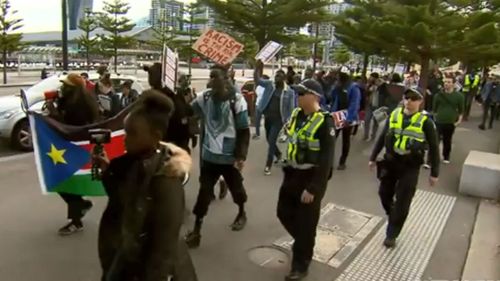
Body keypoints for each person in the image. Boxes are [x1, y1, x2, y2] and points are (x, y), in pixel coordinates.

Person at [95, 91, 198, 281]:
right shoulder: (130, 162)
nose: (125, 138)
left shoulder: (166, 178)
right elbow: (120, 199)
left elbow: (163, 248)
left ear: (155, 136)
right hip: (126, 259)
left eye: (132, 134)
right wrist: (109, 170)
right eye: (126, 132)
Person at [185, 65, 250, 248]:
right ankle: (197, 230)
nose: (211, 81)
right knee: (204, 192)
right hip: (209, 157)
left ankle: (242, 212)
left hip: (229, 158)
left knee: (237, 188)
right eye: (210, 77)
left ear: (226, 78)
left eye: (215, 77)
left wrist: (241, 156)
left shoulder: (237, 100)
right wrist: (182, 96)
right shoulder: (204, 97)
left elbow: (244, 130)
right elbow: (190, 113)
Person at [278, 79, 335, 281]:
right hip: (292, 174)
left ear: (314, 96)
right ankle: (304, 242)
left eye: (302, 94)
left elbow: (327, 160)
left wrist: (313, 188)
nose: (298, 97)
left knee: (306, 223)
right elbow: (287, 138)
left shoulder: (325, 122)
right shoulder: (296, 115)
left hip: (311, 178)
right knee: (283, 212)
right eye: (298, 93)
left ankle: (300, 266)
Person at [369, 88, 439, 248]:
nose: (409, 102)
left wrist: (434, 173)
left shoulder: (426, 122)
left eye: (413, 99)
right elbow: (382, 136)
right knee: (384, 193)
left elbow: (434, 148)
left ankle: (392, 233)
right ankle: (392, 214)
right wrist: (372, 157)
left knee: (403, 200)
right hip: (391, 161)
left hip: (410, 165)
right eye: (406, 98)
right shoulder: (394, 114)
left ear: (420, 101)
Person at [46, 73, 100, 235]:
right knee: (66, 183)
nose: (63, 88)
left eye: (66, 86)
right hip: (71, 148)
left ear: (73, 88)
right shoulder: (72, 100)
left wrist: (54, 112)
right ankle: (80, 209)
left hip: (75, 148)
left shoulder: (79, 106)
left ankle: (76, 220)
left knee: (65, 183)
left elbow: (69, 127)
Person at [254, 60, 295, 175]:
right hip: (268, 118)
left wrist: (289, 122)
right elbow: (258, 81)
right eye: (276, 75)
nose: (276, 78)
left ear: (284, 78)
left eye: (279, 76)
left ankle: (268, 165)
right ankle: (278, 154)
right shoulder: (269, 85)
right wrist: (257, 69)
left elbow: (291, 108)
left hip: (278, 120)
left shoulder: (289, 92)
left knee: (271, 141)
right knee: (268, 138)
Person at [144, 63, 193, 153]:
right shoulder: (175, 93)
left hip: (170, 146)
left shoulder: (154, 96)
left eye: (151, 74)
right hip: (172, 145)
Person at [330, 72, 361, 170]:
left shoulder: (353, 88)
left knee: (345, 140)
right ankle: (329, 161)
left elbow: (354, 104)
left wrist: (349, 119)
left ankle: (342, 162)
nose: (337, 80)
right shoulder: (338, 87)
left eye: (338, 79)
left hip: (348, 116)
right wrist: (335, 88)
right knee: (331, 139)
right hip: (337, 114)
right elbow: (332, 97)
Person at [432, 76, 464, 163]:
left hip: (450, 122)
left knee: (447, 140)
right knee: (435, 141)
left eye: (449, 82)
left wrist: (458, 121)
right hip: (438, 121)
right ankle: (431, 159)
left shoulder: (459, 96)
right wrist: (435, 119)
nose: (446, 84)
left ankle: (446, 156)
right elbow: (434, 109)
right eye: (445, 82)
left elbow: (461, 110)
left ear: (453, 84)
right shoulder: (438, 95)